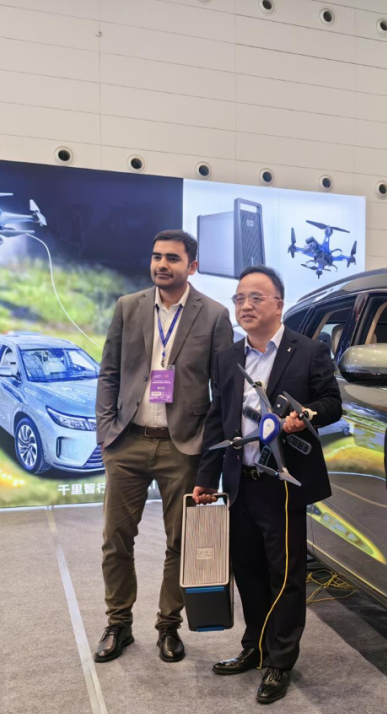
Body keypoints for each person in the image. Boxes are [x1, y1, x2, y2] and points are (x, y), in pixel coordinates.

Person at [193, 265, 342, 704]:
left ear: (279, 304)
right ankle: (254, 647)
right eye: (239, 298)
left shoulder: (309, 351)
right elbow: (217, 420)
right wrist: (206, 478)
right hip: (240, 482)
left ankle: (280, 660)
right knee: (249, 572)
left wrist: (304, 416)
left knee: (285, 576)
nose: (245, 305)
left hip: (282, 484)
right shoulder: (228, 358)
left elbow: (331, 403)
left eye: (255, 297)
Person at [94, 229, 234, 664]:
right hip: (128, 441)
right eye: (157, 256)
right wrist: (106, 432)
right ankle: (118, 623)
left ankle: (168, 626)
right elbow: (109, 371)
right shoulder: (128, 306)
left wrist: (211, 455)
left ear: (192, 266)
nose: (161, 264)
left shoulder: (215, 315)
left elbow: (223, 391)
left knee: (181, 543)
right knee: (116, 540)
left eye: (172, 258)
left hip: (183, 447)